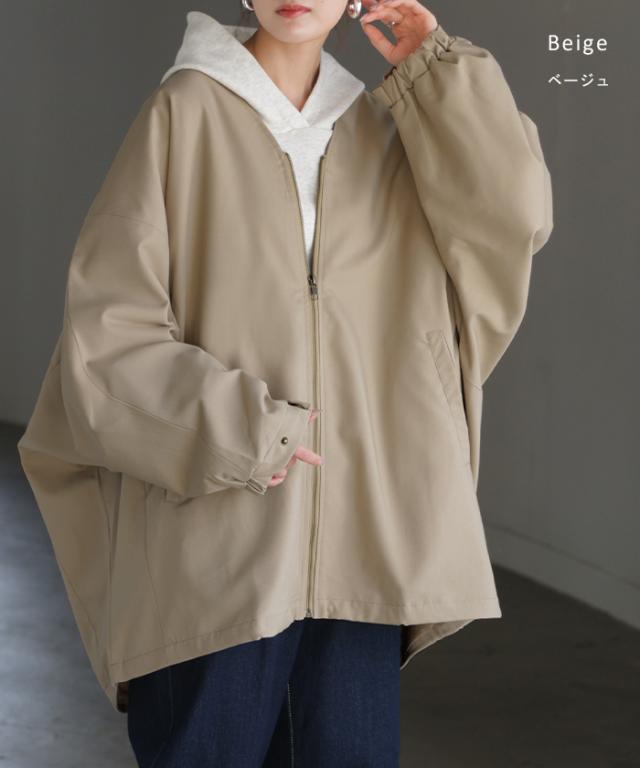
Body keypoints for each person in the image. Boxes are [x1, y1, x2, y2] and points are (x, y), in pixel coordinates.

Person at [16, 0, 553, 765]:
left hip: (366, 548)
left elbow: (515, 216)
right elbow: (106, 339)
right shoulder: (183, 112)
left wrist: (433, 69)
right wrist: (246, 430)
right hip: (213, 544)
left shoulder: (388, 130)